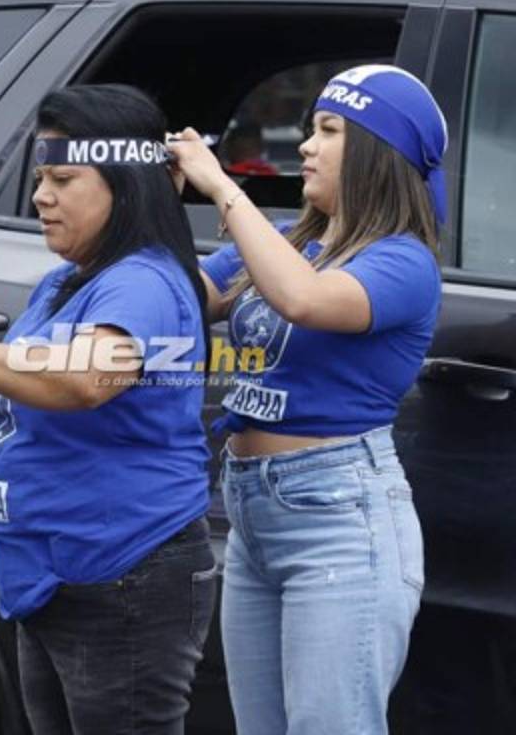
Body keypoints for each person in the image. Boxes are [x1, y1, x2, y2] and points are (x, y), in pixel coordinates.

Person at [0, 83, 217, 734]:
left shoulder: (143, 278)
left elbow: (90, 378)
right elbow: (51, 388)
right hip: (52, 574)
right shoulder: (68, 278)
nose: (40, 197)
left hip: (120, 570)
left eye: (63, 178)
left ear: (125, 184)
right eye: (40, 177)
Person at [167, 64, 445, 735]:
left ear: (379, 153)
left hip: (340, 519)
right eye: (309, 129)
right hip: (251, 512)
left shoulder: (404, 260)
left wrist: (222, 187)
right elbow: (181, 297)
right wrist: (154, 205)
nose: (307, 148)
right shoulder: (293, 238)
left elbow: (307, 300)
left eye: (328, 131)